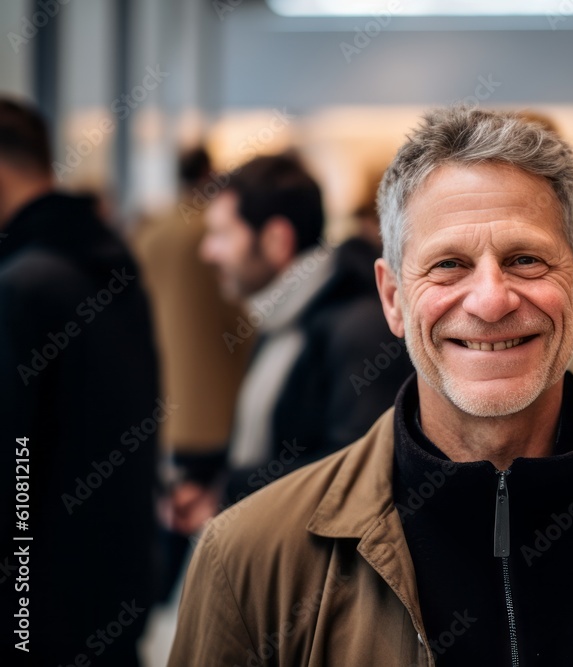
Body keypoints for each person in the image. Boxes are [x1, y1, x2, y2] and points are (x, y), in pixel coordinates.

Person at [168, 107, 573, 666]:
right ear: (393, 298)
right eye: (449, 265)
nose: (492, 299)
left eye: (526, 259)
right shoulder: (248, 560)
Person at [165, 154, 411, 535]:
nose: (208, 252)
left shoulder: (359, 326)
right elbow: (281, 445)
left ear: (277, 240)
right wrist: (204, 474)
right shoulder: (282, 318)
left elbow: (357, 467)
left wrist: (229, 491)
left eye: (223, 235)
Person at [0, 98, 159, 665]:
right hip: (112, 591)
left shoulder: (24, 284)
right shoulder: (112, 263)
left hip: (36, 615)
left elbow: (15, 466)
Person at [130, 147, 253, 601]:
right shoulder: (215, 233)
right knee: (217, 532)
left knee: (168, 521)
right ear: (208, 173)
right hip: (215, 407)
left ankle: (154, 605)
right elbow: (240, 325)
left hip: (160, 406)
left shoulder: (149, 233)